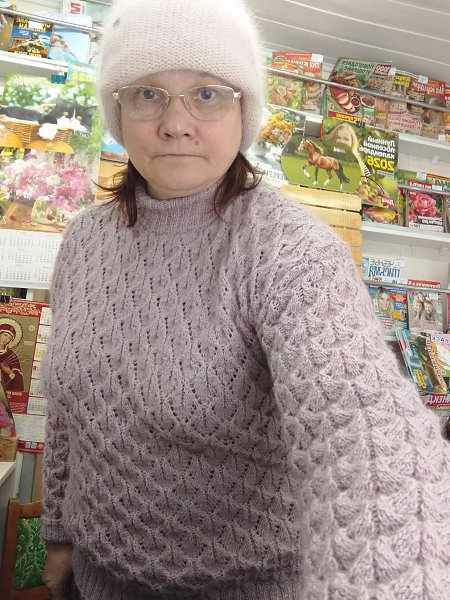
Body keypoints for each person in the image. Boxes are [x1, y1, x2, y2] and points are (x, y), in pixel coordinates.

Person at [41, 0, 450, 599]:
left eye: (207, 94)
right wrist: (58, 534)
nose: (176, 123)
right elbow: (69, 412)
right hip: (94, 582)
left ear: (245, 112)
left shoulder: (290, 249)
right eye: (148, 93)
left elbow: (365, 436)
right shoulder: (84, 239)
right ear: (118, 110)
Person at [0, 322, 24, 391]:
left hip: (4, 389)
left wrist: (9, 372)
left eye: (9, 338)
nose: (6, 339)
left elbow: (19, 378)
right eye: (5, 335)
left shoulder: (11, 355)